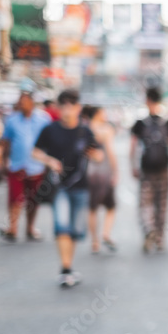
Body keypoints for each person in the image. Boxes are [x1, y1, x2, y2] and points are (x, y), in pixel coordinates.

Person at [32, 90, 103, 287]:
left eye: (72, 105)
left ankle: (68, 266)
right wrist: (49, 161)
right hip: (59, 186)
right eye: (64, 105)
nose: (68, 109)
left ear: (78, 108)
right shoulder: (50, 130)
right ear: (59, 107)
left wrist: (94, 154)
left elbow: (99, 155)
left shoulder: (85, 132)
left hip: (80, 187)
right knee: (61, 226)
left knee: (75, 231)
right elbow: (35, 152)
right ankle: (65, 269)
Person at [130, 87, 168, 253]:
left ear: (147, 100)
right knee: (161, 205)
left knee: (145, 204)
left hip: (146, 171)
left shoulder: (140, 124)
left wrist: (132, 166)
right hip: (163, 170)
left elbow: (132, 148)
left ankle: (149, 229)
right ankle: (160, 239)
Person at [0, 84, 51, 241]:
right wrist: (2, 161)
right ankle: (13, 228)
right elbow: (5, 142)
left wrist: (49, 163)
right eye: (20, 101)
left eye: (25, 101)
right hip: (17, 165)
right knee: (15, 199)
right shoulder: (12, 120)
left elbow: (49, 143)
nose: (21, 104)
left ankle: (30, 227)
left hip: (37, 167)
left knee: (33, 201)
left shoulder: (43, 119)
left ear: (32, 102)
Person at [81, 105, 119, 253]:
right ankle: (105, 233)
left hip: (89, 172)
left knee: (92, 208)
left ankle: (94, 241)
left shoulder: (84, 128)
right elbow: (110, 151)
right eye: (103, 112)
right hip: (104, 171)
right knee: (111, 207)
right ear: (97, 114)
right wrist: (116, 170)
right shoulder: (105, 129)